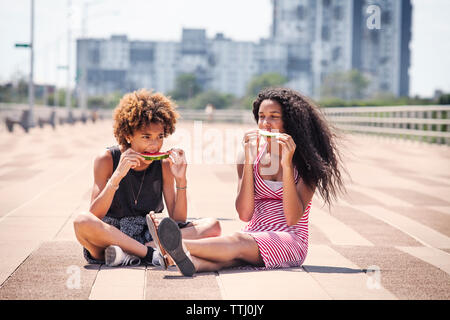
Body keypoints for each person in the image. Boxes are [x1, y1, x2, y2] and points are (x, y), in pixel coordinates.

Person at [151, 87, 345, 276]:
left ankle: (170, 246)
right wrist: (249, 163)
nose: (265, 123)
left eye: (274, 116)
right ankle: (188, 261)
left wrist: (287, 165)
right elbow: (245, 214)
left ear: (290, 120)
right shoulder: (248, 156)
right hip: (253, 232)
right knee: (229, 258)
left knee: (236, 241)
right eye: (261, 116)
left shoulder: (307, 164)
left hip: (290, 240)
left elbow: (292, 218)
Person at [73, 89, 221, 267]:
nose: (155, 144)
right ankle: (151, 254)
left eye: (160, 137)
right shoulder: (106, 159)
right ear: (128, 136)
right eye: (146, 137)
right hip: (111, 234)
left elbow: (177, 220)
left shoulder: (164, 164)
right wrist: (117, 176)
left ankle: (130, 253)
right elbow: (95, 215)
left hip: (146, 232)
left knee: (213, 226)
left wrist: (181, 181)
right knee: (81, 221)